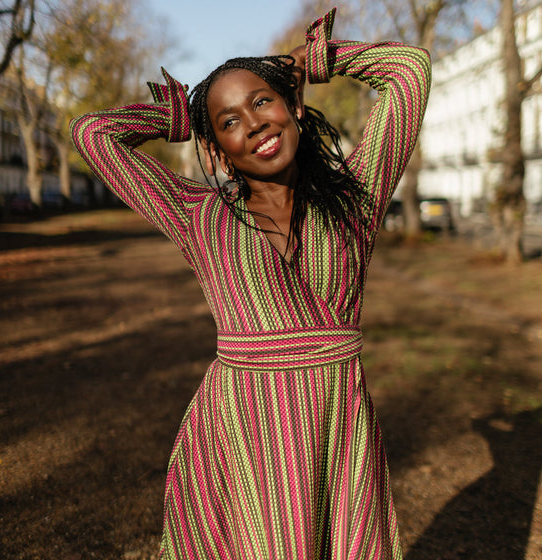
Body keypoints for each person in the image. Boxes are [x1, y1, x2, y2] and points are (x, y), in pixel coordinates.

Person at [70, 8, 431, 560]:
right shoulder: (197, 214)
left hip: (339, 427)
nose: (255, 122)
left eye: (263, 101)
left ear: (294, 108)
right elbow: (93, 134)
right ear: (216, 148)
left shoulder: (356, 196)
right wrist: (174, 118)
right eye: (229, 120)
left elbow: (409, 70)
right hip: (244, 432)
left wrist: (323, 59)